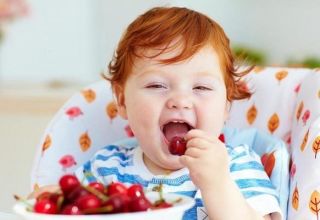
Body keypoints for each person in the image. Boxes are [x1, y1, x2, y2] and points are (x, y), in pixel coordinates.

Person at [30, 6, 288, 220]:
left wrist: (217, 184)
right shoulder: (105, 168)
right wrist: (52, 202)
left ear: (226, 106)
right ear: (122, 100)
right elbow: (72, 207)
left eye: (201, 87)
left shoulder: (234, 165)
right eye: (157, 85)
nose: (180, 100)